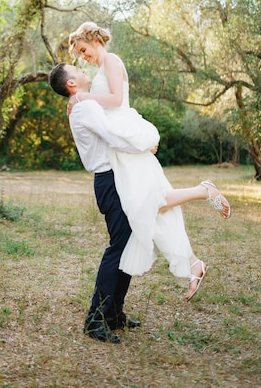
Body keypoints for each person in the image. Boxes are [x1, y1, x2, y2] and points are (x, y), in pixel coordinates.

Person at [67, 21, 231, 301]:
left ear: (94, 40)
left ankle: (205, 191)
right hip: (121, 146)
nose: (84, 57)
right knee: (152, 206)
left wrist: (82, 96)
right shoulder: (102, 68)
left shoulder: (112, 61)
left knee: (153, 202)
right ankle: (193, 262)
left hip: (126, 140)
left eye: (84, 49)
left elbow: (118, 100)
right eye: (80, 55)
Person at [49, 62, 158, 344]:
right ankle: (95, 319)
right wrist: (145, 145)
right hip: (109, 180)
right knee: (119, 246)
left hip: (117, 176)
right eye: (77, 69)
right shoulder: (84, 107)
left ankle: (114, 313)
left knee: (128, 244)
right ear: (71, 83)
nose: (83, 69)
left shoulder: (85, 103)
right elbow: (111, 135)